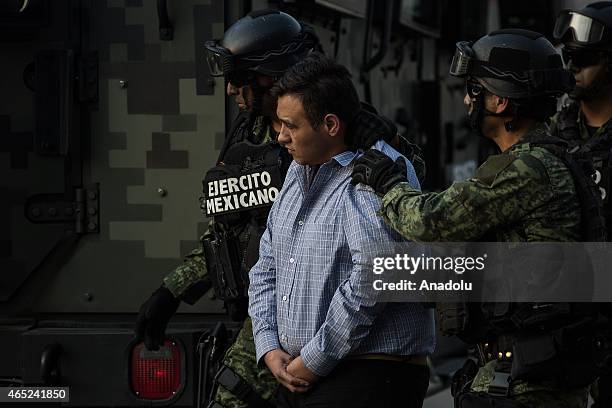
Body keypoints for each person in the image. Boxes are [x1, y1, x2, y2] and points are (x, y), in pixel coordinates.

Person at [134, 9, 424, 408]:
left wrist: (313, 356)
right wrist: (174, 289)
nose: (231, 91)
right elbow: (238, 229)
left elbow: (383, 249)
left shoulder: (340, 136)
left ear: (269, 77)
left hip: (341, 340)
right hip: (272, 310)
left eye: (240, 79)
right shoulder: (256, 133)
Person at [352, 29, 604, 407]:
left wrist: (387, 181)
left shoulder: (525, 169)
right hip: (529, 372)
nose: (468, 99)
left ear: (500, 101)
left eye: (475, 89)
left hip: (526, 382)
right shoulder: (548, 158)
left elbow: (431, 222)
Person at [248, 52, 435, 408]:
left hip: (370, 374)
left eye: (292, 125)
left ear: (331, 125)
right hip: (301, 374)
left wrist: (314, 360)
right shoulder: (298, 168)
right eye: (280, 124)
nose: (281, 137)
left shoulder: (375, 169)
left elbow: (374, 276)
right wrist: (269, 345)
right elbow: (267, 263)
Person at [552, 3, 612, 407]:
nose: (573, 67)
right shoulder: (555, 135)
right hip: (567, 318)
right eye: (568, 57)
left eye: (585, 58)